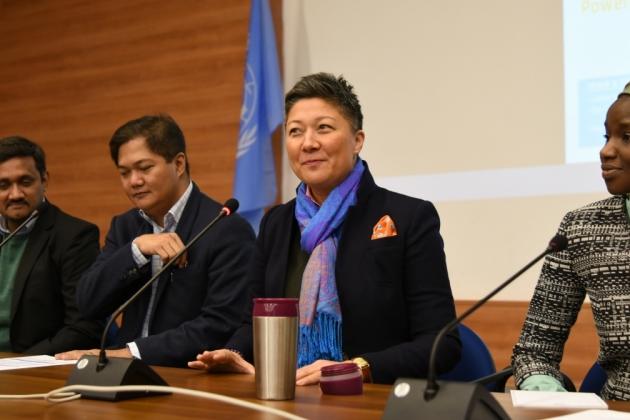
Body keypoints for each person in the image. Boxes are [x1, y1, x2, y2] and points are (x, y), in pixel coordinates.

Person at [189, 73, 460, 385]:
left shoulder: (409, 217)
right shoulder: (277, 223)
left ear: (357, 140)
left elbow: (442, 345)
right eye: (295, 131)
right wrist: (233, 352)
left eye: (324, 128)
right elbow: (253, 322)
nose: (308, 143)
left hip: (370, 398)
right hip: (289, 393)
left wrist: (357, 368)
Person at [56, 115, 255, 367]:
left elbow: (220, 325)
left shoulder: (224, 228)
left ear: (179, 164)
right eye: (124, 173)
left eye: (145, 168)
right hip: (121, 372)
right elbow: (88, 303)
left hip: (187, 374)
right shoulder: (126, 226)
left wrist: (131, 353)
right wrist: (136, 250)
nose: (134, 181)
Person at [512, 81, 630, 400]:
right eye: (606, 137)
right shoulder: (582, 227)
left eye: (627, 137)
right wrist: (551, 398)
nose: (606, 150)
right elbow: (535, 351)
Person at [0, 136, 102, 354]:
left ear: (44, 180)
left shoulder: (75, 236)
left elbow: (83, 328)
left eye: (25, 182)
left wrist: (18, 363)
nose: (15, 194)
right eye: (3, 185)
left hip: (34, 365)